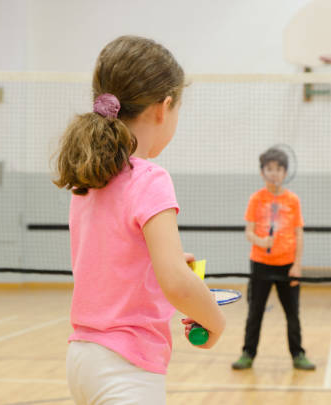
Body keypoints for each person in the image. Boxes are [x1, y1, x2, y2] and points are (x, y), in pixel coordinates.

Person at [53, 35, 225, 405]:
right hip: (126, 368)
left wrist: (156, 263)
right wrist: (214, 319)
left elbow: (110, 260)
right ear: (164, 108)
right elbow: (178, 285)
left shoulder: (88, 179)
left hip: (82, 357)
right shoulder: (150, 179)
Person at [231, 147, 315, 371]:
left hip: (288, 266)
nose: (274, 173)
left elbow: (299, 233)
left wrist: (297, 264)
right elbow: (248, 232)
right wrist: (260, 241)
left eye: (278, 169)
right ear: (262, 173)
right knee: (254, 312)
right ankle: (247, 353)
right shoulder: (256, 199)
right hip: (260, 265)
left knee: (292, 314)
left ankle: (298, 354)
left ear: (285, 172)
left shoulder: (292, 200)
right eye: (269, 169)